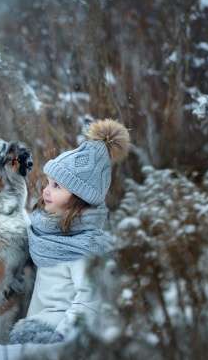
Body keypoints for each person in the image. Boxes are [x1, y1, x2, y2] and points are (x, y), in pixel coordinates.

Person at [8, 118, 130, 344]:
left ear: (80, 198)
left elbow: (88, 299)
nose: (46, 190)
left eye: (57, 186)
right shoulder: (44, 232)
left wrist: (60, 338)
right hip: (37, 322)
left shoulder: (84, 247)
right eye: (48, 182)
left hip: (54, 334)